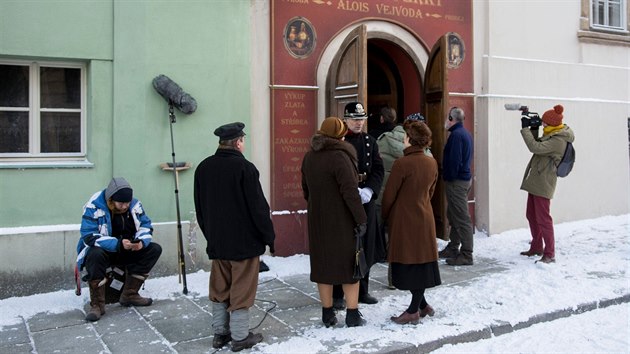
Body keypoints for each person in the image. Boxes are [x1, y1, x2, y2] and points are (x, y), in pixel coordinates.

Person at [193, 122, 275, 352]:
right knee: (242, 288)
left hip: (218, 240)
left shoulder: (204, 167)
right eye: (243, 140)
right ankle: (239, 336)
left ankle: (220, 333)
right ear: (238, 142)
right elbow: (258, 208)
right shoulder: (245, 168)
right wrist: (269, 236)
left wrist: (210, 234)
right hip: (244, 242)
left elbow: (200, 208)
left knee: (219, 286)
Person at [301, 116, 368, 327]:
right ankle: (352, 313)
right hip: (342, 221)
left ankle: (327, 313)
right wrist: (361, 219)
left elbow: (306, 190)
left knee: (323, 267)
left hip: (317, 220)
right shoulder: (340, 156)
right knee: (350, 267)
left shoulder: (309, 157)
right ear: (340, 135)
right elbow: (350, 193)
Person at [77, 177, 162, 322]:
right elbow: (89, 236)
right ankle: (97, 305)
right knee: (94, 254)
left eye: (127, 203)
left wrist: (141, 242)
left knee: (154, 249)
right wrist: (118, 244)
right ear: (111, 200)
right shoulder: (94, 206)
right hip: (105, 251)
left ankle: (129, 294)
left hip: (127, 248)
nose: (124, 206)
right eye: (121, 203)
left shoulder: (135, 206)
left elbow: (145, 226)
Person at [382, 120, 441, 324]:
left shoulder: (402, 163)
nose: (404, 139)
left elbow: (389, 195)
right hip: (424, 216)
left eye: (406, 136)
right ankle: (423, 305)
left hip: (404, 219)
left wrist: (385, 215)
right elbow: (431, 191)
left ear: (410, 139)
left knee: (410, 265)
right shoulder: (431, 162)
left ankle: (413, 310)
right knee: (421, 262)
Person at [332, 102, 385, 308]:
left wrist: (370, 190)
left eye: (361, 119)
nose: (358, 123)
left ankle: (363, 290)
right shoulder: (338, 142)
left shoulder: (370, 141)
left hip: (365, 199)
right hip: (344, 200)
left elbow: (379, 169)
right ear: (345, 119)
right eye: (355, 119)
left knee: (366, 245)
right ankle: (338, 293)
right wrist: (350, 190)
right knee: (343, 247)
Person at [376, 113, 431, 289]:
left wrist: (385, 211)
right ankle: (417, 289)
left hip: (389, 201)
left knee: (395, 243)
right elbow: (430, 189)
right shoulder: (429, 158)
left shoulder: (385, 140)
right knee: (414, 246)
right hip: (417, 205)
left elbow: (389, 189)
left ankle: (394, 279)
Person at [519, 104, 575, 263]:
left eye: (544, 123)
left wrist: (525, 129)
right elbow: (539, 144)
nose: (543, 125)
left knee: (543, 219)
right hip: (537, 179)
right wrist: (534, 128)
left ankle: (549, 254)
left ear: (552, 124)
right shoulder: (551, 133)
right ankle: (537, 247)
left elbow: (534, 147)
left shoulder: (558, 140)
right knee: (531, 215)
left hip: (544, 182)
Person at [438, 107, 475, 266]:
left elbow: (454, 161)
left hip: (457, 182)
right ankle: (453, 247)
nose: (446, 121)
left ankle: (467, 254)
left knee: (461, 217)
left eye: (447, 118)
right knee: (453, 214)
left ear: (451, 118)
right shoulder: (464, 133)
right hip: (463, 180)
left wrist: (447, 176)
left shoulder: (456, 136)